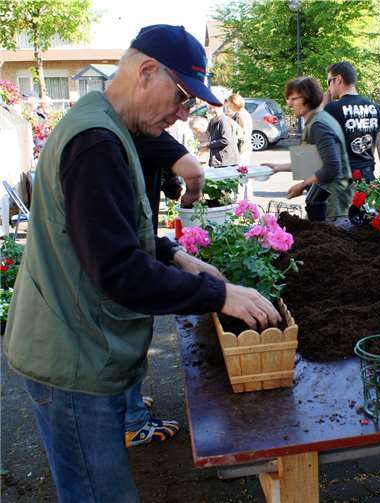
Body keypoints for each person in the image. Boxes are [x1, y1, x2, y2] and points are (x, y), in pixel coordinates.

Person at [3, 24, 280, 501]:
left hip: (78, 349)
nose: (181, 114)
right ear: (147, 71)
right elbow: (118, 272)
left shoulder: (107, 127)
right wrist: (221, 295)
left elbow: (106, 230)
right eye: (181, 97)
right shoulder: (96, 142)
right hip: (71, 362)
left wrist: (176, 255)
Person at [123, 131, 205, 448]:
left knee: (128, 329)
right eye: (178, 102)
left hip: (135, 239)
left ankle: (128, 402)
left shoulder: (121, 130)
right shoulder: (147, 130)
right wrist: (190, 196)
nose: (180, 115)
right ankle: (132, 421)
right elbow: (193, 170)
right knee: (132, 328)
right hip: (131, 248)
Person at [263, 77, 353, 221]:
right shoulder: (316, 120)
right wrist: (277, 167)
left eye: (293, 99)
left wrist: (302, 185)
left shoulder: (319, 126)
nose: (288, 104)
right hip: (326, 198)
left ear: (307, 98)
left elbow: (332, 167)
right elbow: (311, 162)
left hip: (334, 203)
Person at [323, 61, 380, 182]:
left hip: (341, 179)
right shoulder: (376, 108)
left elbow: (315, 143)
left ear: (338, 79)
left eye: (329, 81)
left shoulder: (331, 109)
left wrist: (322, 107)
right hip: (367, 177)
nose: (328, 87)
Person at [205, 102, 240, 167]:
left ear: (220, 108)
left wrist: (208, 145)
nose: (211, 110)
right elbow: (207, 134)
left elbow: (225, 140)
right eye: (210, 108)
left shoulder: (224, 121)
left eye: (214, 108)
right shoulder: (212, 120)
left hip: (227, 161)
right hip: (219, 161)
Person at [225, 93, 253, 165]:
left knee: (240, 170)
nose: (228, 107)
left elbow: (243, 134)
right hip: (245, 146)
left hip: (243, 148)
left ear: (234, 103)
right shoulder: (242, 113)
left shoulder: (241, 115)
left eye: (229, 105)